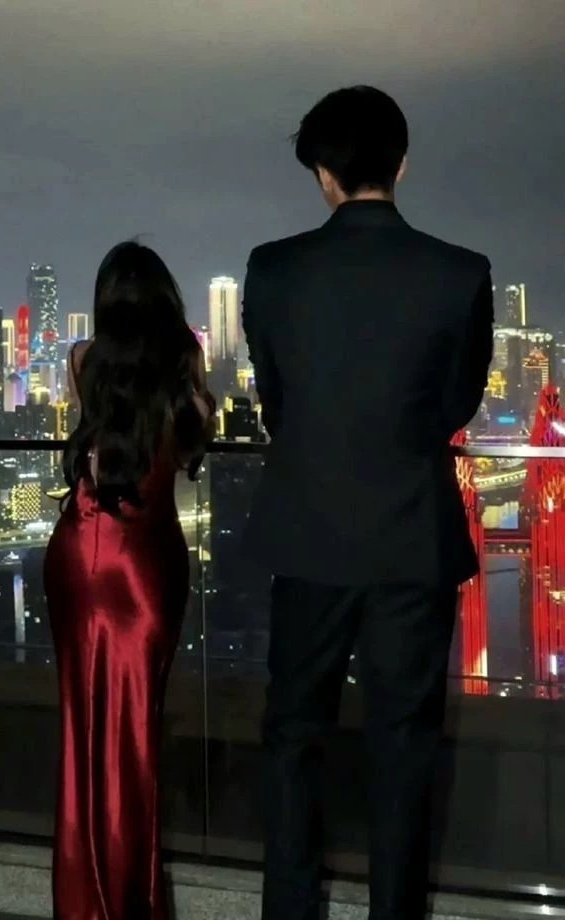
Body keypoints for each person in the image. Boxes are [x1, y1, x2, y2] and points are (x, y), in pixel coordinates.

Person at [242, 86, 493, 920]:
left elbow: (276, 401)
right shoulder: (460, 274)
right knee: (405, 746)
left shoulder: (274, 270)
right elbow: (456, 403)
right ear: (402, 163)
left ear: (323, 173)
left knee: (293, 735)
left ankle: (292, 910)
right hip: (412, 540)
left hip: (308, 535)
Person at [44, 241, 214, 920]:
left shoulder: (82, 360)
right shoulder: (185, 365)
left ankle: (86, 901)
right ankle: (129, 902)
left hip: (77, 553)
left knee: (82, 738)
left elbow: (94, 433)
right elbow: (193, 447)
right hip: (146, 565)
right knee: (135, 738)